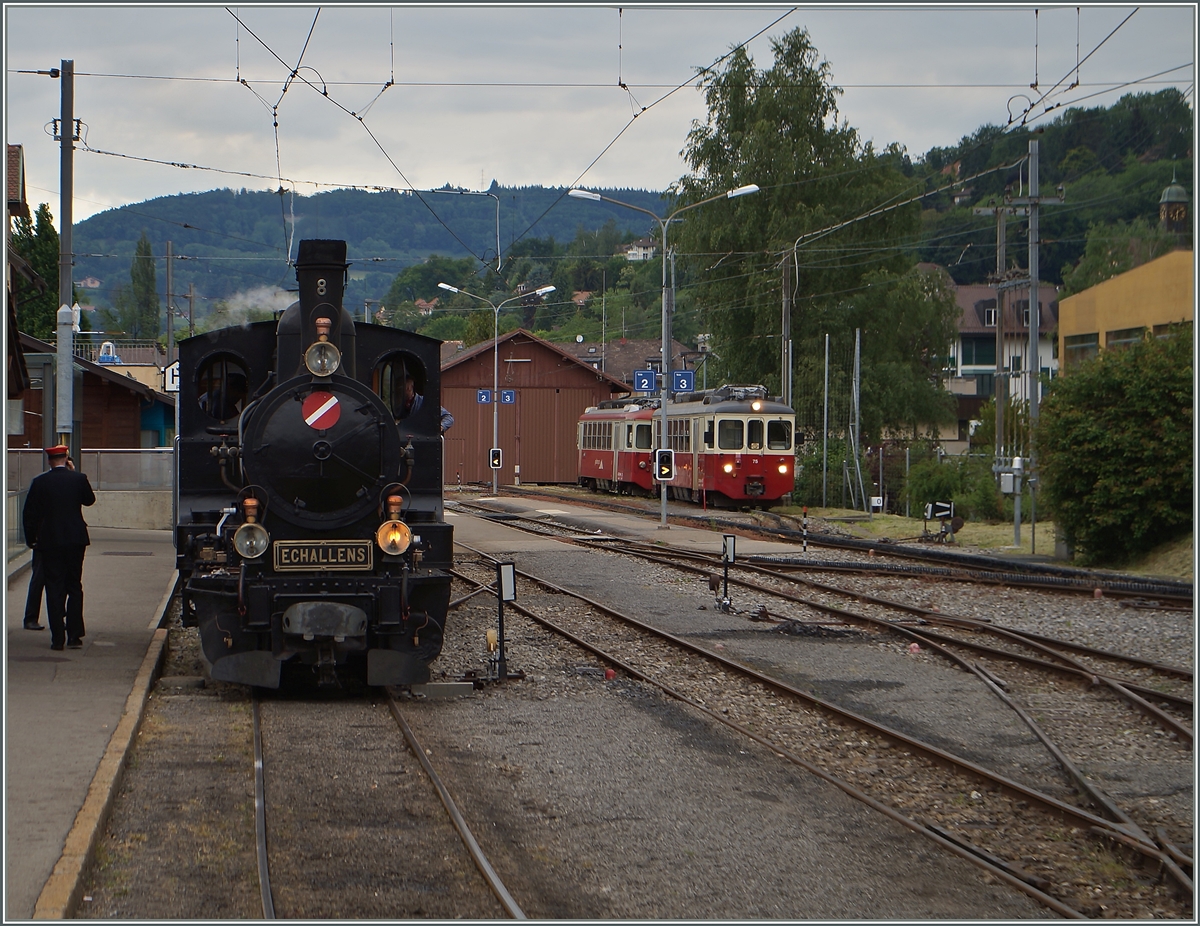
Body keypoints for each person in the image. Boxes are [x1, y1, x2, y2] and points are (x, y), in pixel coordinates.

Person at [22, 446, 96, 651]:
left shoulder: (40, 482)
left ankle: (57, 639)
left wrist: (31, 540)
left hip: (50, 541)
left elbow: (29, 514)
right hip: (75, 540)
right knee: (74, 586)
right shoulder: (78, 479)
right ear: (66, 458)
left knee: (54, 587)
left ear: (49, 461)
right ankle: (74, 635)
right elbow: (89, 501)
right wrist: (74, 473)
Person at [22, 549, 46, 630]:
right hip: (43, 545)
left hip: (58, 543)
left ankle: (58, 619)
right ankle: (30, 618)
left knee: (58, 583)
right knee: (38, 580)